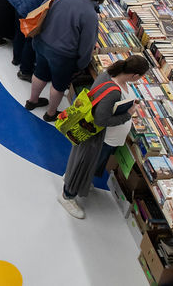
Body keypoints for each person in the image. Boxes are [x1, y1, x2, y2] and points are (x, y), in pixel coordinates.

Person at [58, 55, 151, 219]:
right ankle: (67, 195)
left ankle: (77, 180)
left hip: (105, 139)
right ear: (135, 75)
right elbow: (101, 120)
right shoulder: (113, 92)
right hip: (98, 138)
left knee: (88, 164)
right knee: (83, 164)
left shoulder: (110, 73)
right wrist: (128, 114)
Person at [24, 0, 108, 121]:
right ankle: (51, 113)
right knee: (58, 85)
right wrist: (81, 64)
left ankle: (32, 101)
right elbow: (87, 44)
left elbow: (43, 7)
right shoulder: (90, 15)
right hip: (63, 55)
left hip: (42, 42)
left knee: (40, 73)